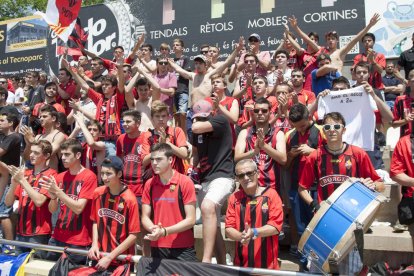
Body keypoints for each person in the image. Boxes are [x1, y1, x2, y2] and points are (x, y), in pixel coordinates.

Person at [298, 112, 384, 274]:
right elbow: (302, 188)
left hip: (353, 224)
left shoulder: (358, 154)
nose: (332, 130)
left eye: (337, 126)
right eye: (327, 127)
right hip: (323, 222)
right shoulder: (315, 156)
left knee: (350, 272)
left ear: (343, 130)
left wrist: (371, 185)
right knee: (317, 270)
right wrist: (314, 204)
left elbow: (380, 185)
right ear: (323, 130)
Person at [191, 99, 235, 263]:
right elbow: (195, 152)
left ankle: (206, 260)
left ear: (211, 114)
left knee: (207, 207)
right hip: (205, 179)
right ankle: (222, 265)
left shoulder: (220, 120)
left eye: (204, 117)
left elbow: (195, 127)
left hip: (223, 176)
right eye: (198, 117)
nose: (200, 121)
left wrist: (196, 120)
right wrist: (192, 167)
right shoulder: (196, 133)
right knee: (214, 228)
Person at [41, 139, 97, 264]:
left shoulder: (89, 176)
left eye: (67, 154)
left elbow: (78, 208)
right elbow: (52, 209)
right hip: (57, 236)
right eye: (62, 155)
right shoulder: (60, 177)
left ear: (78, 155)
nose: (63, 158)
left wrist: (59, 192)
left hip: (78, 239)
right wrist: (53, 197)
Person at [141, 143, 197, 261]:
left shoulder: (185, 182)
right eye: (152, 160)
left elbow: (191, 220)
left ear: (170, 159)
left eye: (159, 159)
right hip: (158, 246)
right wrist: (154, 230)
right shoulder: (149, 184)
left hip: (183, 247)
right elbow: (145, 217)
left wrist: (165, 231)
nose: (154, 163)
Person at [225, 159, 283, 269]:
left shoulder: (271, 195)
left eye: (249, 173)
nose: (246, 178)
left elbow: (275, 227)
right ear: (237, 179)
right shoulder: (234, 198)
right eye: (241, 175)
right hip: (241, 267)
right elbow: (228, 229)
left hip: (268, 268)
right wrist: (242, 237)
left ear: (258, 173)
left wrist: (254, 232)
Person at [63, 59, 125, 156]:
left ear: (113, 87)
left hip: (112, 140)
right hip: (98, 138)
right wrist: (71, 70)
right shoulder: (99, 98)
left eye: (107, 85)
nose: (104, 87)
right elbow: (84, 85)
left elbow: (121, 85)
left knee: (112, 167)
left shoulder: (117, 99)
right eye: (103, 85)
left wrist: (120, 69)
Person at [285, 103, 324, 258]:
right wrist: (291, 156)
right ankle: (305, 258)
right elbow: (286, 165)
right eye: (296, 127)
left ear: (309, 117)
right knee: (301, 226)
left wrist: (313, 152)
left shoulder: (323, 131)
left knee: (319, 226)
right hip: (297, 186)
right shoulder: (290, 135)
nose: (300, 130)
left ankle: (320, 259)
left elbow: (334, 156)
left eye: (302, 125)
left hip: (318, 187)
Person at [5, 140, 56, 257]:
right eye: (31, 152)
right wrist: (13, 183)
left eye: (36, 153)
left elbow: (39, 201)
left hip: (38, 234)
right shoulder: (26, 174)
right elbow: (8, 203)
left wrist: (22, 180)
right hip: (20, 232)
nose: (31, 155)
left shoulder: (51, 175)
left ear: (47, 156)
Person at [88, 156, 140, 271]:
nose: (104, 177)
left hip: (120, 260)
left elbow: (134, 235)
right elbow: (95, 221)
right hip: (99, 256)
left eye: (108, 173)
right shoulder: (98, 193)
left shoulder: (130, 199)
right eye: (102, 173)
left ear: (119, 174)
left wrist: (110, 257)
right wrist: (94, 244)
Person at [235, 97, 286, 192]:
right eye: (257, 110)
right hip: (248, 186)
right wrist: (254, 152)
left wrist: (264, 146)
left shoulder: (278, 133)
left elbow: (283, 159)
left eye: (264, 110)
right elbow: (237, 158)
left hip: (271, 187)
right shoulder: (245, 133)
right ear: (253, 113)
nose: (260, 113)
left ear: (270, 112)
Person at [147, 101, 188, 174]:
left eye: (163, 116)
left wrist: (166, 143)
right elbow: (143, 162)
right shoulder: (147, 135)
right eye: (157, 116)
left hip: (176, 177)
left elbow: (184, 154)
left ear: (168, 117)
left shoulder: (177, 131)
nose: (160, 119)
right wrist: (159, 146)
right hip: (155, 179)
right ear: (152, 118)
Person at [21, 105, 66, 171]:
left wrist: (33, 141)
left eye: (44, 116)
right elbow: (27, 158)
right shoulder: (38, 137)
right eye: (40, 117)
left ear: (53, 118)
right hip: (36, 176)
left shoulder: (59, 136)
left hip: (49, 177)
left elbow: (47, 153)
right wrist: (29, 145)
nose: (41, 119)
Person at [0, 112, 21, 245]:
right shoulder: (4, 136)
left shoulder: (13, 137)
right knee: (7, 212)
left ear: (11, 123)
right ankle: (14, 239)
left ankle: (9, 246)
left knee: (3, 213)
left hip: (9, 181)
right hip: (4, 179)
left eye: (2, 120)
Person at [172, 38, 191, 135]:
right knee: (176, 116)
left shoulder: (186, 59)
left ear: (182, 48)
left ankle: (184, 136)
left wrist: (175, 67)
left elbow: (186, 74)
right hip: (172, 91)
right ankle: (177, 136)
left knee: (183, 114)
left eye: (177, 45)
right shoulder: (171, 60)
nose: (175, 46)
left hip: (182, 89)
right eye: (174, 45)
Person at [392, 69, 414, 137]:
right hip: (406, 141)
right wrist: (405, 120)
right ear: (409, 82)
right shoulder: (400, 100)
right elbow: (393, 124)